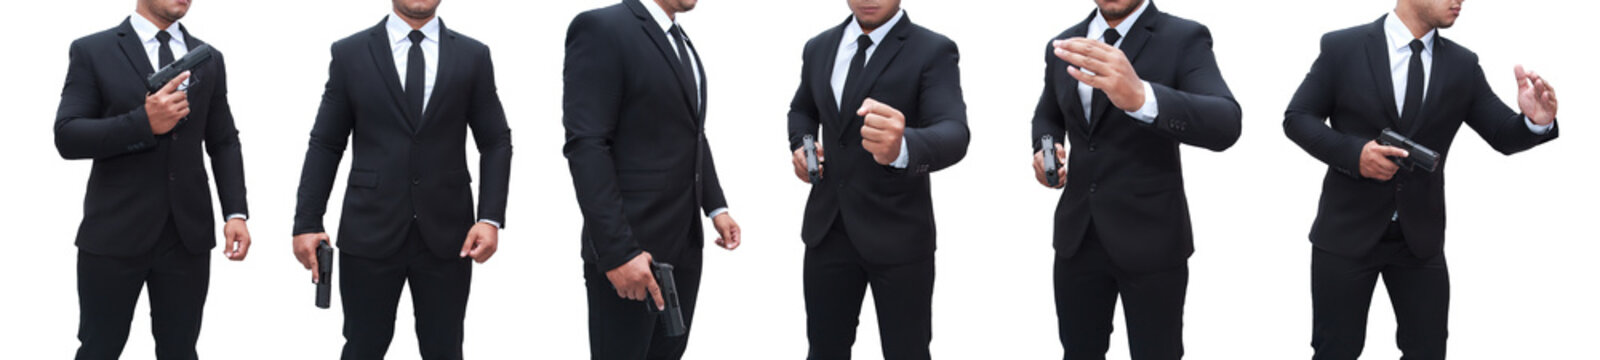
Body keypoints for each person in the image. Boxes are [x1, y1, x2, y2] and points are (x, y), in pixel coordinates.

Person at [1282, 0, 1560, 358]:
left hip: (1419, 239)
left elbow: (1502, 135)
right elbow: (1297, 117)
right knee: (1337, 350)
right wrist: (1355, 155)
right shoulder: (1343, 48)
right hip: (1345, 233)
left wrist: (1536, 121)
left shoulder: (1462, 65)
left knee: (1428, 350)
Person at [289, 0, 513, 358]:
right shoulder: (350, 53)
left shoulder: (473, 55)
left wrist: (490, 218)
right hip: (369, 228)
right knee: (363, 346)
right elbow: (327, 143)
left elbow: (495, 140)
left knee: (444, 348)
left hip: (449, 233)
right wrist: (306, 221)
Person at [1029, 0, 1242, 358]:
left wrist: (1143, 97)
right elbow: (1047, 116)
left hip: (1152, 237)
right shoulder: (1064, 44)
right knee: (1078, 351)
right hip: (1077, 237)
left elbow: (1225, 123)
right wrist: (1046, 151)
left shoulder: (1183, 37)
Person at [54, 0, 253, 358]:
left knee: (180, 350)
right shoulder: (93, 50)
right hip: (114, 233)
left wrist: (234, 213)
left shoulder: (208, 57)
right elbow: (68, 136)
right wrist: (142, 123)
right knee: (100, 348)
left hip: (186, 236)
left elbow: (223, 141)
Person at [786, 1, 969, 358]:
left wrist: (903, 146)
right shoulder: (819, 47)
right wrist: (802, 144)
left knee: (907, 352)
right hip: (828, 229)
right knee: (823, 350)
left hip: (898, 234)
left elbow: (954, 132)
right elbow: (802, 109)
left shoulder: (933, 49)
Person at [563, 0, 743, 359]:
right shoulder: (601, 28)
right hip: (632, 251)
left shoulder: (679, 39)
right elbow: (588, 145)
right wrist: (618, 252)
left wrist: (715, 207)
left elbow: (692, 133)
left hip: (684, 246)